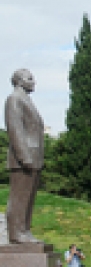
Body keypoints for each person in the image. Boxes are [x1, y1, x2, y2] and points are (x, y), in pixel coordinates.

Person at [4, 69, 44, 244]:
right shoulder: (14, 99)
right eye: (30, 78)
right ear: (19, 81)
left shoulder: (25, 99)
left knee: (28, 198)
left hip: (33, 157)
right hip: (23, 159)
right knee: (19, 198)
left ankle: (24, 230)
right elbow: (15, 130)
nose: (33, 81)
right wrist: (24, 157)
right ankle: (16, 233)